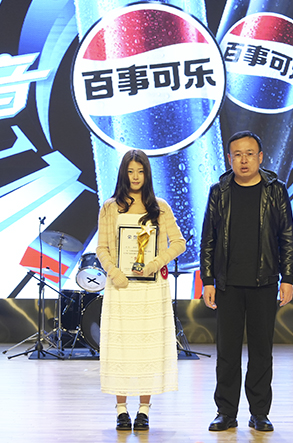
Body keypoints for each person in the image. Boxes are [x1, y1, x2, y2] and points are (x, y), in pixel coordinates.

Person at [201, 130, 293, 432]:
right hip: (227, 285)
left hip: (264, 283)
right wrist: (207, 280)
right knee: (227, 353)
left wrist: (288, 277)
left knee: (261, 352)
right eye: (238, 155)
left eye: (250, 154)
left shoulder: (275, 190)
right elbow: (208, 239)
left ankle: (260, 413)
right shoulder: (219, 191)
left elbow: (287, 236)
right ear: (229, 158)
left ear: (260, 157)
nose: (244, 160)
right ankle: (226, 412)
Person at [95, 149, 186, 431]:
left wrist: (155, 263)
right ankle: (121, 409)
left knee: (148, 348)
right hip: (120, 288)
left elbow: (179, 243)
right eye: (130, 171)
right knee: (121, 348)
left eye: (140, 171)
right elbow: (102, 248)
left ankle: (144, 409)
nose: (135, 177)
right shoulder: (110, 207)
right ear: (123, 174)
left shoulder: (160, 207)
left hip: (151, 288)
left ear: (147, 174)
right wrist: (114, 272)